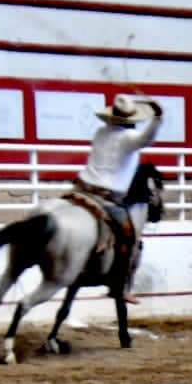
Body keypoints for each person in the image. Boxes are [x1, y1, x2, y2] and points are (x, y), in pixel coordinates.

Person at [72, 93, 163, 305]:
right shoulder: (128, 138)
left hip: (81, 189)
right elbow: (147, 139)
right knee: (130, 238)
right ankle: (119, 287)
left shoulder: (100, 132)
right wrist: (157, 119)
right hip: (106, 197)